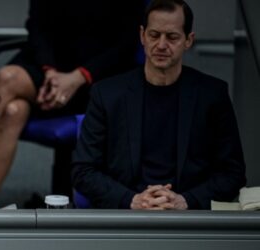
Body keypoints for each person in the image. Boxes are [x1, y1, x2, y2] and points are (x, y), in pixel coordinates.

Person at [71, 0, 246, 209]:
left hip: (189, 219)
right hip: (125, 217)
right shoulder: (106, 94)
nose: (161, 45)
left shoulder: (212, 95)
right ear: (142, 36)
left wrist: (186, 200)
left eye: (172, 37)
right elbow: (82, 171)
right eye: (154, 35)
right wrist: (132, 200)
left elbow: (233, 174)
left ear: (188, 40)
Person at [0, 0, 142, 206]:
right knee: (12, 105)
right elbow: (37, 25)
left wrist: (79, 76)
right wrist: (50, 71)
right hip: (48, 66)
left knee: (9, 90)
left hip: (97, 76)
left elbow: (127, 42)